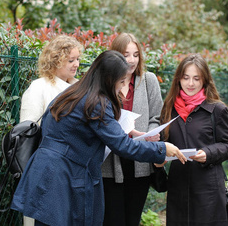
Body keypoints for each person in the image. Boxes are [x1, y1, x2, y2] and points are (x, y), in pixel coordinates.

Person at [11, 50, 187, 226]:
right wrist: (162, 149)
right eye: (121, 82)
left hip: (49, 171)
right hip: (63, 177)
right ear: (109, 79)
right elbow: (123, 146)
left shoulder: (75, 91)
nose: (121, 88)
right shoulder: (96, 102)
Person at [160, 53, 228, 226]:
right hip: (178, 187)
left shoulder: (217, 109)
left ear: (204, 80)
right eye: (186, 78)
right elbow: (162, 142)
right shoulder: (168, 109)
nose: (190, 83)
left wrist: (208, 153)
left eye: (196, 78)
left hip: (208, 188)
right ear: (179, 79)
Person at [18, 34, 82, 226]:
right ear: (55, 60)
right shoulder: (39, 88)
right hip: (46, 170)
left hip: (74, 169)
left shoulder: (80, 87)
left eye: (78, 59)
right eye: (71, 60)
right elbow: (27, 132)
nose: (76, 64)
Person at [101, 33, 163, 226]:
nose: (131, 60)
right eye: (126, 54)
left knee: (133, 219)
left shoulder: (148, 80)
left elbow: (156, 116)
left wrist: (151, 134)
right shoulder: (105, 83)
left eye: (136, 54)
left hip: (140, 161)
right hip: (110, 163)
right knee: (113, 219)